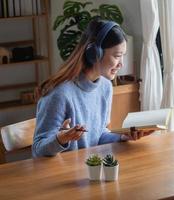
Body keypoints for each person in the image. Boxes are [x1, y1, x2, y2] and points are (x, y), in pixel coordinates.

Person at [32, 18, 151, 157]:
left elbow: (99, 135)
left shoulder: (105, 87)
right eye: (117, 56)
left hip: (90, 169)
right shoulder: (59, 94)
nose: (121, 64)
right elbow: (38, 150)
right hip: (64, 174)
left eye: (123, 56)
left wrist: (123, 137)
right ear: (94, 53)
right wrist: (61, 139)